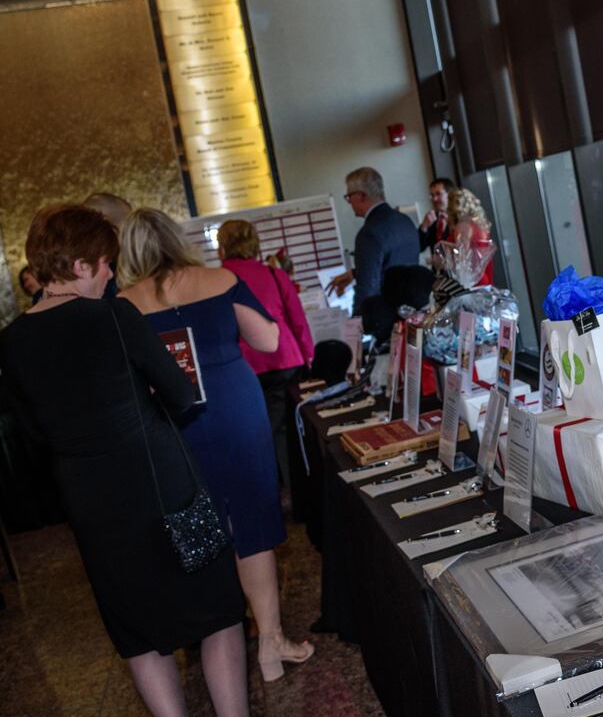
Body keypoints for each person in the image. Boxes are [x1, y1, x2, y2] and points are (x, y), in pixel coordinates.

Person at [0, 205, 299, 717]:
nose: (111, 276)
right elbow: (182, 393)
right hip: (166, 485)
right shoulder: (112, 317)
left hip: (91, 504)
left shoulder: (12, 341)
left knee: (137, 626)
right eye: (105, 265)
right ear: (80, 264)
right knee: (216, 610)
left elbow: (31, 434)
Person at [117, 209, 316, 685]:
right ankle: (270, 643)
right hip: (234, 406)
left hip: (175, 419)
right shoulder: (221, 278)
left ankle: (216, 642)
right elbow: (268, 340)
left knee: (200, 524)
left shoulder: (124, 303)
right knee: (251, 519)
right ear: (175, 238)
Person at [216, 219, 315, 490]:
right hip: (285, 361)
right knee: (286, 430)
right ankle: (296, 493)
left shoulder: (216, 281)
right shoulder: (274, 274)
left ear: (221, 247)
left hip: (242, 368)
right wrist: (308, 354)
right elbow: (298, 321)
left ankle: (268, 493)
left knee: (253, 431)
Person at [326, 167, 421, 337]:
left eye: (349, 197)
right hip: (415, 316)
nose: (349, 202)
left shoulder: (369, 233)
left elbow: (367, 289)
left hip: (385, 325)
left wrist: (354, 329)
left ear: (361, 195)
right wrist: (355, 272)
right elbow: (396, 264)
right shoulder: (405, 222)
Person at [446, 186, 494, 287]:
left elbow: (462, 258)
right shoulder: (480, 224)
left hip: (472, 280)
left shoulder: (463, 226)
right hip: (483, 276)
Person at [418, 176, 455, 252]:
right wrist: (424, 227)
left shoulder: (459, 218)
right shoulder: (431, 219)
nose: (434, 199)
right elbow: (419, 248)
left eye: (438, 194)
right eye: (432, 195)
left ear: (450, 194)